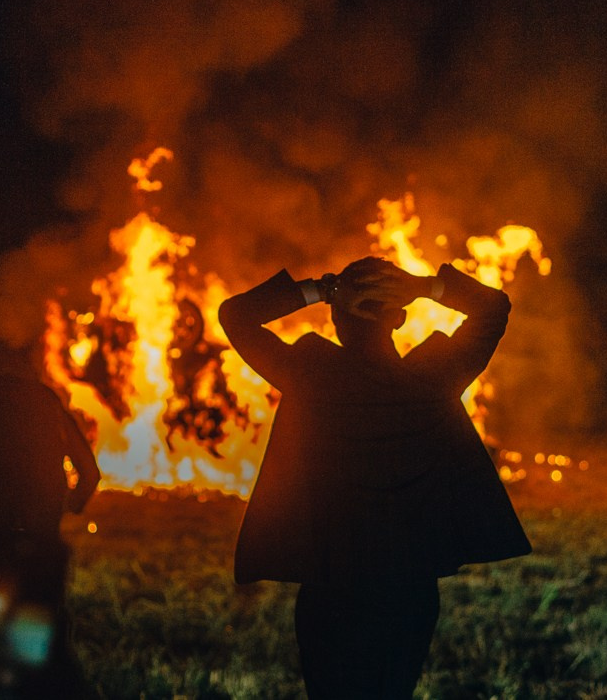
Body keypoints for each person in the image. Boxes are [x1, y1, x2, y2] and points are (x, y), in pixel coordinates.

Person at [219, 256, 532, 699]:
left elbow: (235, 315)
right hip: (410, 588)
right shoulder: (435, 378)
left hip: (332, 587)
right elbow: (493, 308)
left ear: (335, 319)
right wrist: (423, 286)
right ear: (399, 318)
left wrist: (322, 289)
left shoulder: (310, 375)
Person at [0, 374, 100, 698]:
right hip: (41, 536)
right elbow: (90, 473)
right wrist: (68, 505)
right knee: (42, 621)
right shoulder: (48, 404)